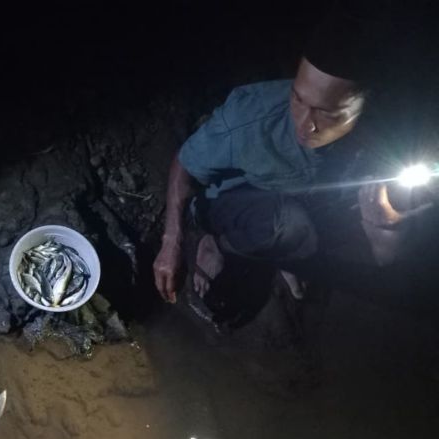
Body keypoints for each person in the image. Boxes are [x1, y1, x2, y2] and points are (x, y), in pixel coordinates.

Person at [152, 47, 431, 327]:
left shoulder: (384, 143)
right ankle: (219, 246)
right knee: (290, 225)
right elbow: (184, 164)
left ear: (363, 107)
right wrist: (170, 242)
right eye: (298, 99)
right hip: (232, 201)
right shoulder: (251, 117)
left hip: (310, 200)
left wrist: (386, 225)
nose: (305, 124)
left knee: (377, 246)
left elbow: (383, 255)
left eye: (327, 113)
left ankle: (287, 255)